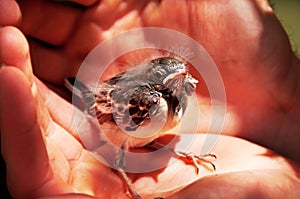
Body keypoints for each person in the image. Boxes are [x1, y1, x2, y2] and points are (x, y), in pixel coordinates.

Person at [1, 0, 299, 198]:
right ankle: (129, 184)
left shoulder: (180, 96)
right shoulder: (150, 101)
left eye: (186, 76)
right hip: (105, 109)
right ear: (161, 84)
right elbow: (120, 125)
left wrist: (288, 100)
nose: (189, 81)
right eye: (179, 79)